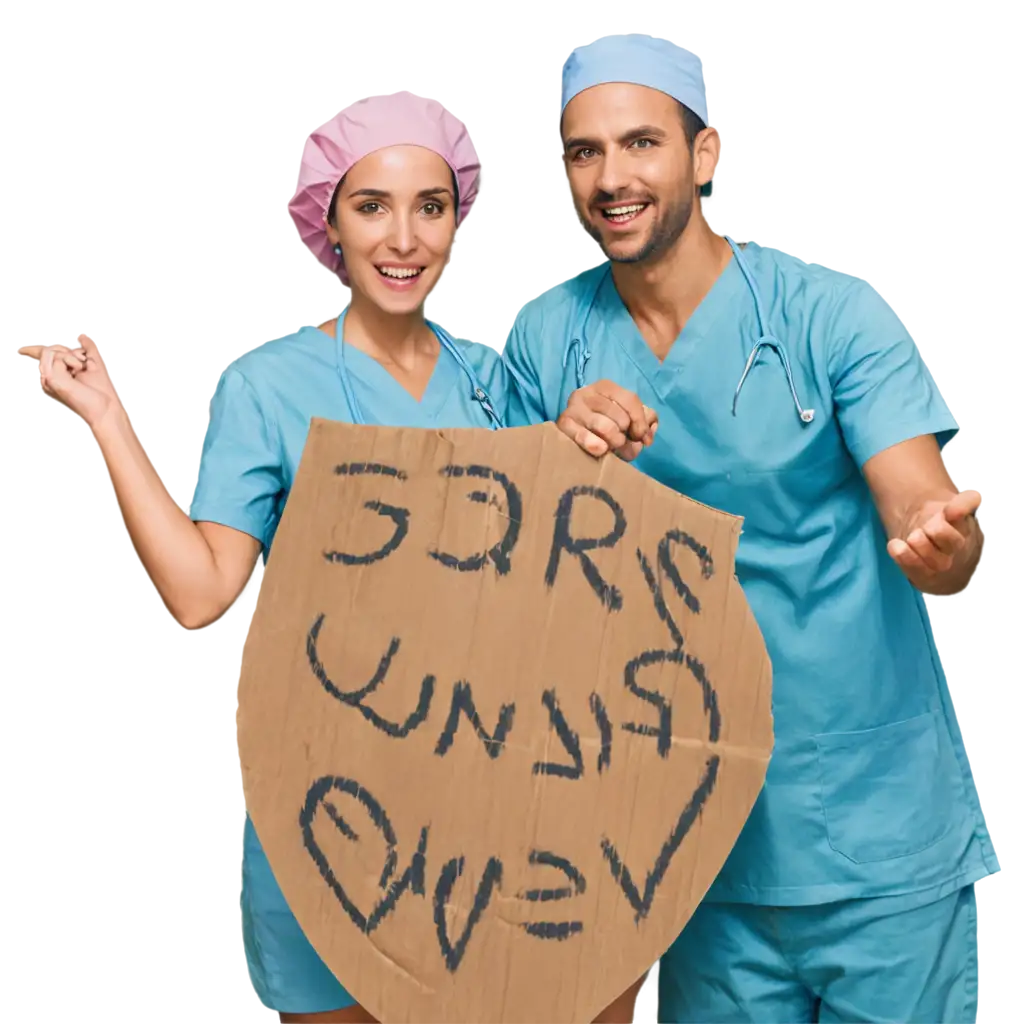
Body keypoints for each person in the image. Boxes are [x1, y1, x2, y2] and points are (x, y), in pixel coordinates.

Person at [18, 88, 643, 1024]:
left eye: (430, 208)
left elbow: (552, 568)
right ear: (329, 221)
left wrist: (588, 426)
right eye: (372, 206)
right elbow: (202, 595)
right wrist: (108, 419)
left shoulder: (493, 384)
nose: (403, 238)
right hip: (332, 814)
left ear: (455, 221)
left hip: (491, 815)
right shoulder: (267, 387)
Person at [501, 31, 997, 1024]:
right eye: (583, 151)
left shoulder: (830, 316)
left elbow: (922, 509)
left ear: (704, 154)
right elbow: (500, 583)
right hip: (682, 846)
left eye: (641, 143)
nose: (611, 177)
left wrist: (937, 540)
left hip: (868, 832)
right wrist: (551, 459)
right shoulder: (544, 335)